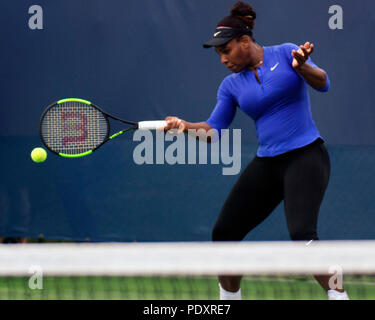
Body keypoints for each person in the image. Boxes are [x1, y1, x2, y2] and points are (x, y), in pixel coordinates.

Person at [163, 1, 349, 300]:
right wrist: (184, 126)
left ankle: (340, 297)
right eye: (219, 54)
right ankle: (229, 301)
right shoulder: (230, 86)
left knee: (303, 236)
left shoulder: (286, 52)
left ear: (244, 41)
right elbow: (214, 131)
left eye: (226, 51)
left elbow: (324, 82)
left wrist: (301, 67)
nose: (223, 59)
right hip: (268, 164)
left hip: (306, 156)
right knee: (224, 234)